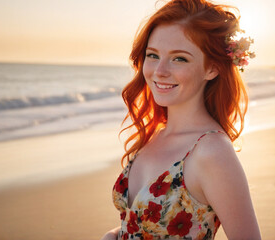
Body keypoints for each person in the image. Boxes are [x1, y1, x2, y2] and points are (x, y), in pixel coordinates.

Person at [102, 0, 260, 239]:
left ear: (212, 69)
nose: (160, 70)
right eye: (153, 55)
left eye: (179, 59)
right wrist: (112, 235)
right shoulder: (155, 134)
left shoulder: (212, 152)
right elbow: (141, 226)